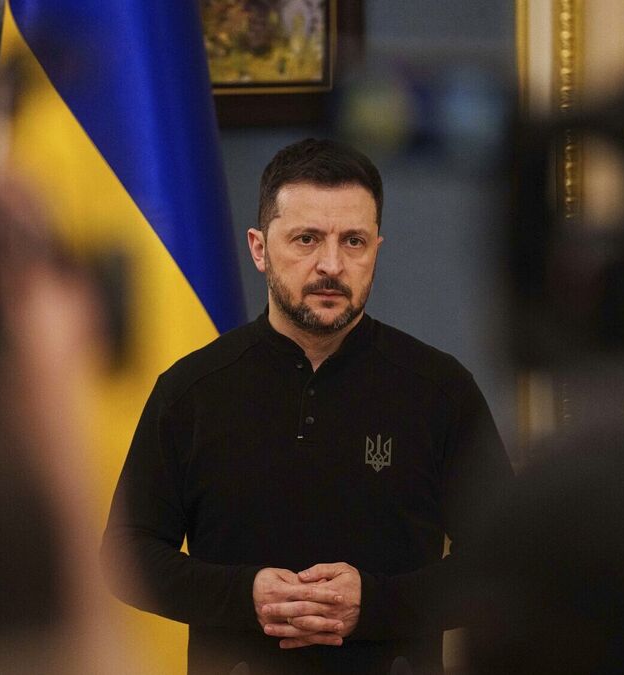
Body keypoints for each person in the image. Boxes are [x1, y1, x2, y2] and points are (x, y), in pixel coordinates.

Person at [100, 138, 512, 675]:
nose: (331, 265)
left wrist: (377, 604)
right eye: (307, 239)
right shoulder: (190, 391)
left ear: (376, 250)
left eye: (353, 241)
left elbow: (508, 562)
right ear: (259, 248)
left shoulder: (441, 390)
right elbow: (126, 555)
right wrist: (245, 596)